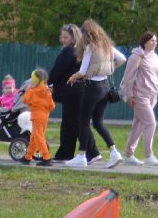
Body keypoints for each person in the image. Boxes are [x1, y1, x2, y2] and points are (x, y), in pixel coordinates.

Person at [64, 19, 125, 168]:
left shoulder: (90, 47)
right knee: (98, 123)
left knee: (83, 122)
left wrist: (73, 77)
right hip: (104, 87)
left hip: (92, 88)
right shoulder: (108, 46)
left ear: (86, 33)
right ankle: (114, 152)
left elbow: (83, 71)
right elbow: (123, 59)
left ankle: (81, 156)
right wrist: (110, 68)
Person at [116, 31, 158, 167]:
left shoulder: (154, 57)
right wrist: (129, 95)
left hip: (152, 94)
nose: (154, 43)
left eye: (155, 40)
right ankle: (149, 155)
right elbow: (128, 76)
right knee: (151, 123)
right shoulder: (137, 56)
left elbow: (154, 75)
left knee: (139, 125)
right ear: (145, 42)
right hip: (139, 95)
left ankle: (129, 155)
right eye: (151, 40)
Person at [46, 24, 83, 166]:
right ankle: (66, 153)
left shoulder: (68, 51)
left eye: (66, 37)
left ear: (74, 37)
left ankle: (89, 152)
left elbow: (57, 70)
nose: (63, 40)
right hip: (77, 91)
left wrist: (47, 82)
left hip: (70, 91)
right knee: (72, 123)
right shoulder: (80, 51)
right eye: (62, 37)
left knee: (71, 123)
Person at [20, 68, 54, 165]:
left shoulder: (32, 91)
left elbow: (25, 100)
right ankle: (28, 157)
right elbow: (52, 106)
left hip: (36, 116)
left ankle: (47, 158)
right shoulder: (47, 91)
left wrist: (28, 90)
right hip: (45, 116)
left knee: (38, 137)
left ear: (35, 80)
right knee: (34, 137)